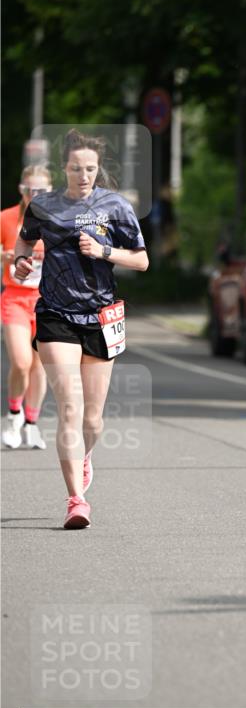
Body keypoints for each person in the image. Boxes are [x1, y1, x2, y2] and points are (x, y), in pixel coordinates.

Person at [13, 128, 149, 529]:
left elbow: (142, 261)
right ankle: (76, 500)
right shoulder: (43, 207)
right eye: (76, 168)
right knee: (69, 407)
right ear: (64, 167)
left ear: (98, 168)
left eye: (90, 168)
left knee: (93, 419)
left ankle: (85, 456)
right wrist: (20, 263)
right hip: (55, 314)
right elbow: (24, 244)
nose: (84, 175)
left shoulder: (116, 207)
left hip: (102, 317)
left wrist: (105, 251)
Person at [1, 164, 52, 449]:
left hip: (46, 301)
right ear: (22, 190)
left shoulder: (56, 220)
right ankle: (13, 417)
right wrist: (5, 257)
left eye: (42, 190)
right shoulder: (7, 218)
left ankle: (32, 424)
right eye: (31, 189)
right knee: (21, 363)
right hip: (15, 299)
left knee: (39, 366)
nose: (36, 194)